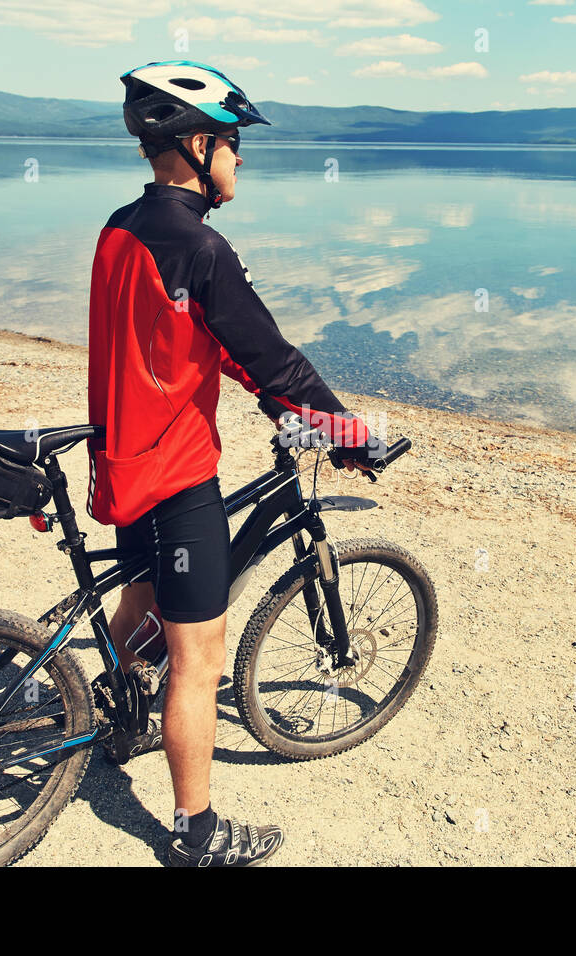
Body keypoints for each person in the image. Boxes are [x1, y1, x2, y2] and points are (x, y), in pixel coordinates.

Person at [87, 60, 377, 867]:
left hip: (121, 465)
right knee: (198, 658)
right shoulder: (203, 248)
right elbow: (268, 361)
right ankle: (196, 832)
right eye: (234, 143)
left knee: (141, 605)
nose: (241, 159)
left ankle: (119, 719)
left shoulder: (120, 227)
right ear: (198, 143)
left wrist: (289, 406)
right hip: (176, 475)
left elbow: (183, 348)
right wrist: (346, 433)